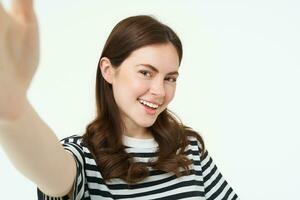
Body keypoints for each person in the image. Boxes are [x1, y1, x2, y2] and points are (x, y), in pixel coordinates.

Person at [0, 1, 239, 199]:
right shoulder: (84, 157)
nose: (159, 91)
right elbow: (50, 173)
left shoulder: (188, 148)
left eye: (170, 78)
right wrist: (14, 110)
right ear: (108, 70)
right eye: (146, 72)